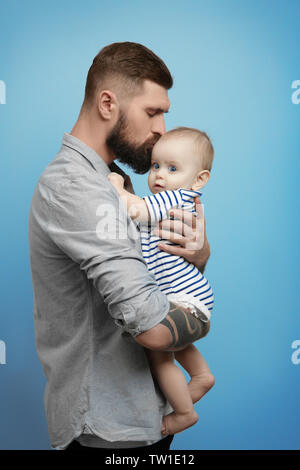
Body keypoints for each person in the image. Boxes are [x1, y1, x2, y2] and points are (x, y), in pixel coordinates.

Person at [28, 42, 211, 452]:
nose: (163, 127)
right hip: (110, 432)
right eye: (152, 112)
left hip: (141, 419)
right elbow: (150, 328)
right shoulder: (79, 187)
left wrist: (197, 255)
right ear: (108, 103)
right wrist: (197, 317)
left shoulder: (114, 180)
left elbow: (160, 279)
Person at [108, 127, 215, 436]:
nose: (159, 175)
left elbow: (133, 208)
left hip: (185, 305)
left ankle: (183, 414)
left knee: (157, 351)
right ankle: (200, 376)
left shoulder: (176, 198)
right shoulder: (165, 202)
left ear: (199, 180)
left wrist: (115, 183)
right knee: (168, 342)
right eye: (155, 166)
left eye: (172, 168)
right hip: (185, 303)